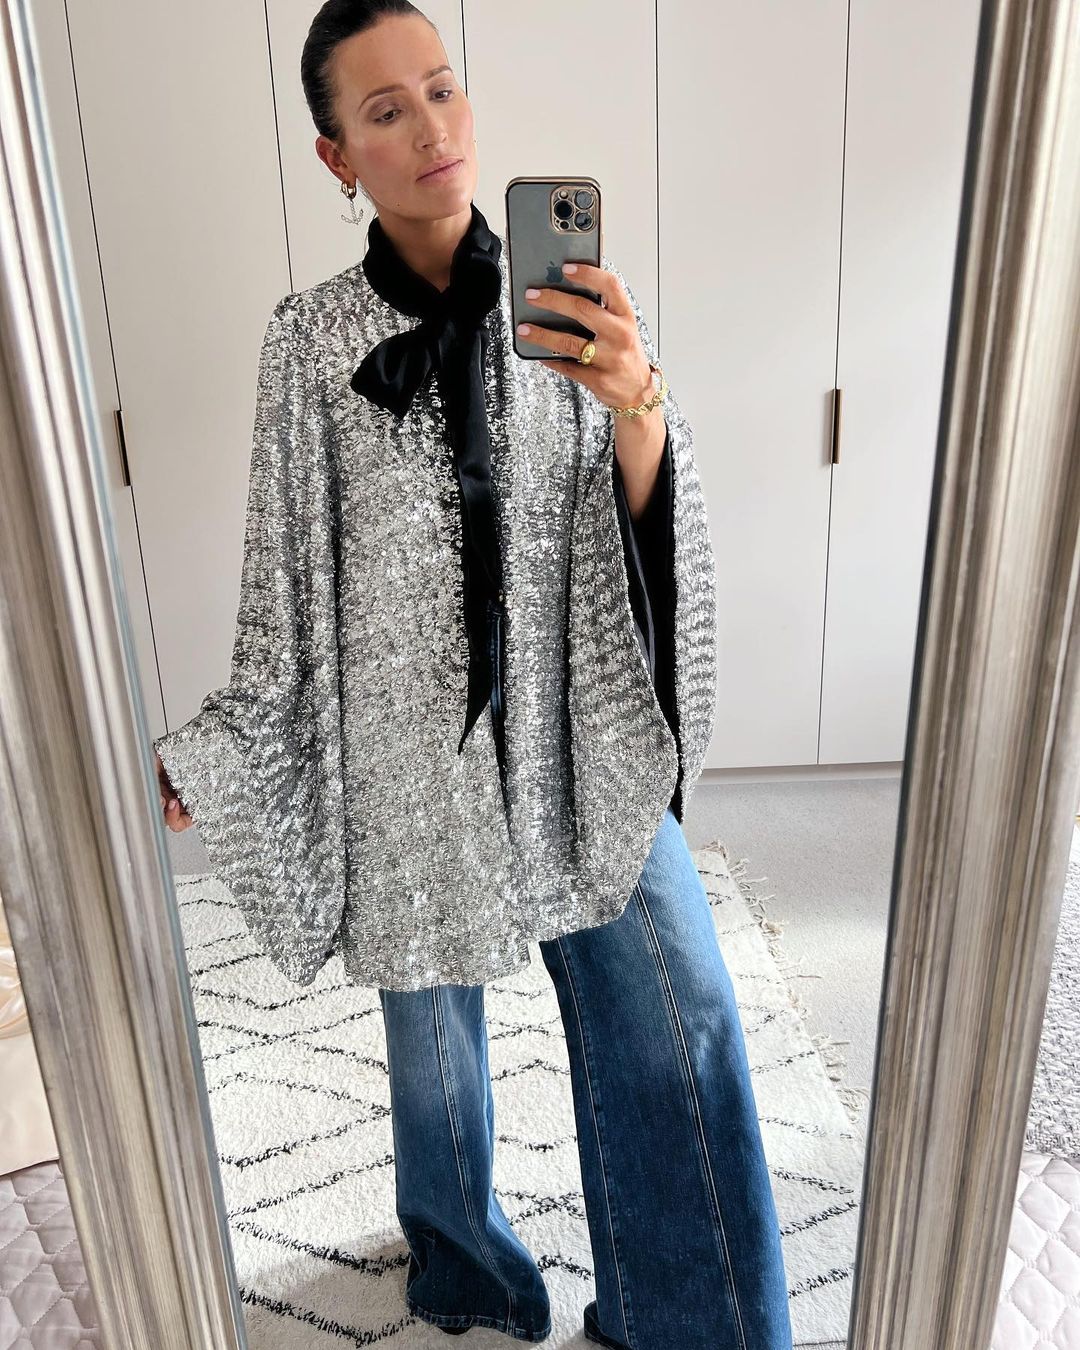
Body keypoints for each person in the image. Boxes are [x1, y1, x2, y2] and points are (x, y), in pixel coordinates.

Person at [155, 1, 793, 1344]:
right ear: (338, 156)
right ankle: (458, 1259)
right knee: (430, 1030)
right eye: (385, 110)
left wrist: (638, 402)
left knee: (680, 1009)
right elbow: (284, 580)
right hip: (407, 748)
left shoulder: (567, 303)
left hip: (577, 725)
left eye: (441, 89)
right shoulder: (308, 342)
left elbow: (644, 520)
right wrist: (218, 749)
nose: (430, 127)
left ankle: (686, 1319)